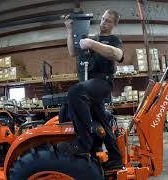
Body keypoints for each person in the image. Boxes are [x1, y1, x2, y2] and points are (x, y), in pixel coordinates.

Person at [64, 9, 124, 170]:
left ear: (115, 24)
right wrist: (69, 30)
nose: (103, 23)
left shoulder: (113, 39)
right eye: (103, 19)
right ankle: (115, 157)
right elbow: (72, 52)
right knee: (102, 121)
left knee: (75, 92)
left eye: (108, 21)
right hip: (89, 85)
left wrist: (91, 44)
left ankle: (84, 143)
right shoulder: (92, 38)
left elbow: (117, 54)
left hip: (102, 82)